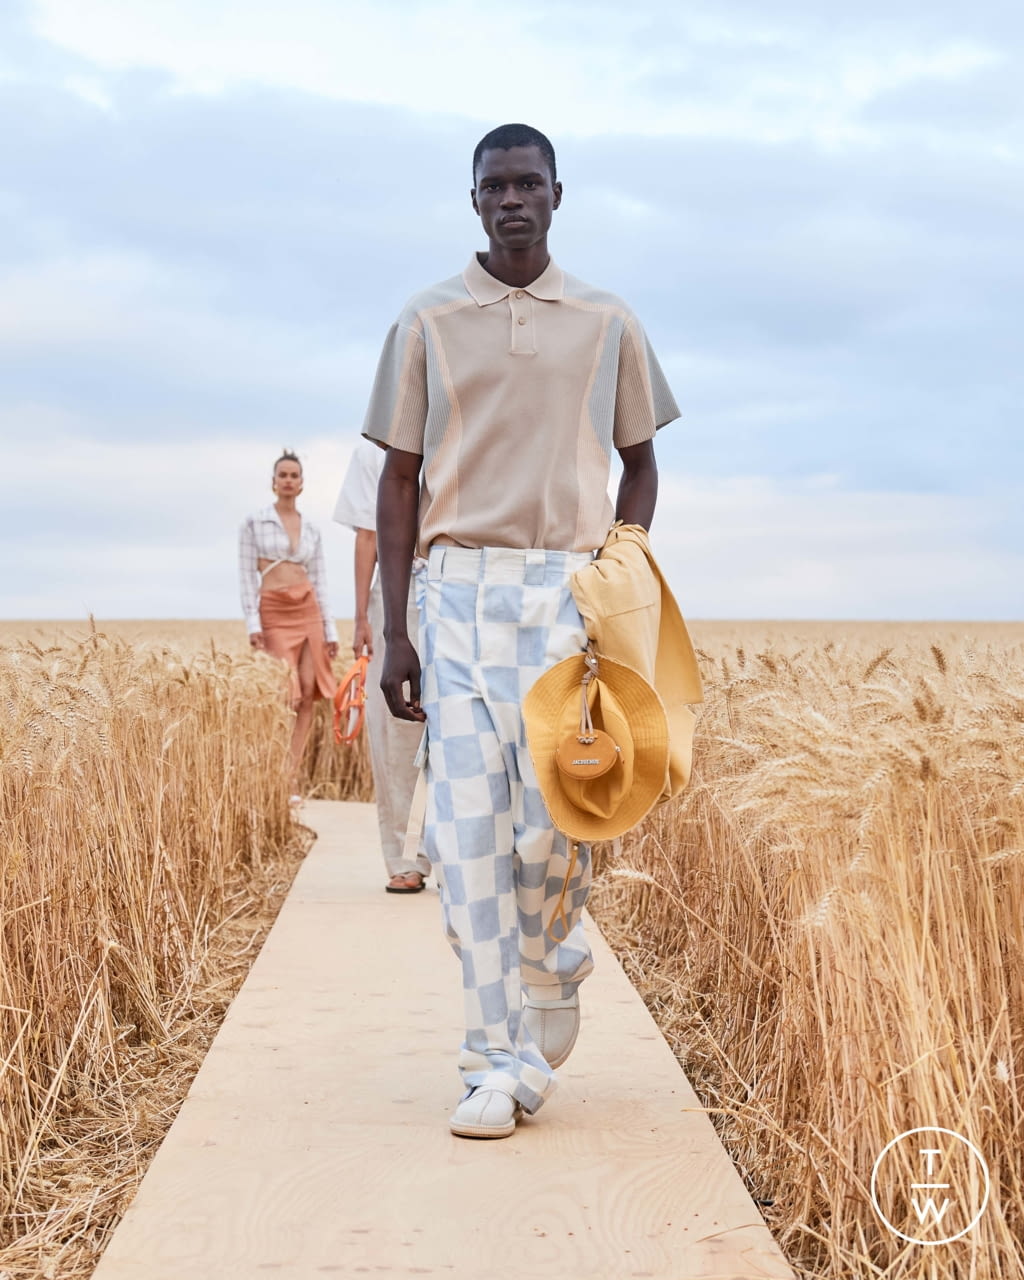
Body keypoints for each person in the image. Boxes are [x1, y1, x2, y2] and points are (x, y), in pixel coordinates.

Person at [364, 123, 678, 1139]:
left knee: (555, 824)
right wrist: (396, 628)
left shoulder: (606, 319)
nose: (511, 199)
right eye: (493, 184)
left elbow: (640, 459)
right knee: (466, 837)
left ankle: (553, 961)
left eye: (527, 183)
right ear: (472, 199)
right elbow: (398, 478)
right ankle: (494, 1058)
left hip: (561, 596)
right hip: (453, 594)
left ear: (555, 194)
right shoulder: (424, 319)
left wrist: (616, 566)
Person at [334, 439, 431, 893]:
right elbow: (367, 535)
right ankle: (405, 857)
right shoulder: (374, 450)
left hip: (470, 585)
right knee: (398, 727)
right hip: (400, 593)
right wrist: (361, 618)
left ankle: (467, 855)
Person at [239, 450, 339, 797]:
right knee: (287, 695)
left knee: (309, 695)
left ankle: (290, 778)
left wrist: (330, 630)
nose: (288, 480)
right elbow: (246, 577)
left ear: (302, 484)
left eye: (294, 475)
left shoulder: (312, 529)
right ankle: (273, 775)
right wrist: (253, 623)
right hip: (275, 612)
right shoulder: (254, 523)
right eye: (282, 474)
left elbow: (321, 580)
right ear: (273, 481)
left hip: (309, 610)